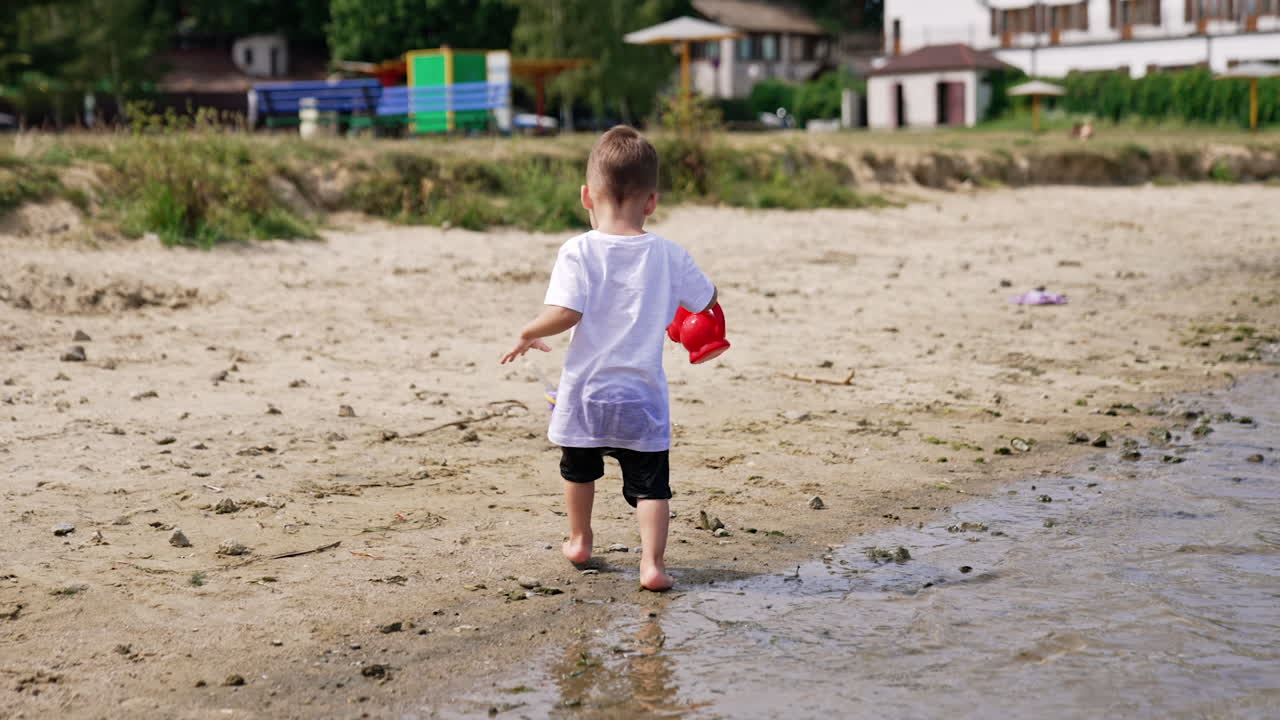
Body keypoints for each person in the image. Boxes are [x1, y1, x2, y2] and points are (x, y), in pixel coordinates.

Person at [499, 125, 718, 591]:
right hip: (643, 395)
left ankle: (580, 540)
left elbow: (565, 312)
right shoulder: (669, 254)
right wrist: (680, 309)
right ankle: (652, 566)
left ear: (586, 196)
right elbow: (706, 301)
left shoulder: (578, 250)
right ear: (652, 201)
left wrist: (528, 330)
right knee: (652, 485)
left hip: (586, 392)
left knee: (578, 469)